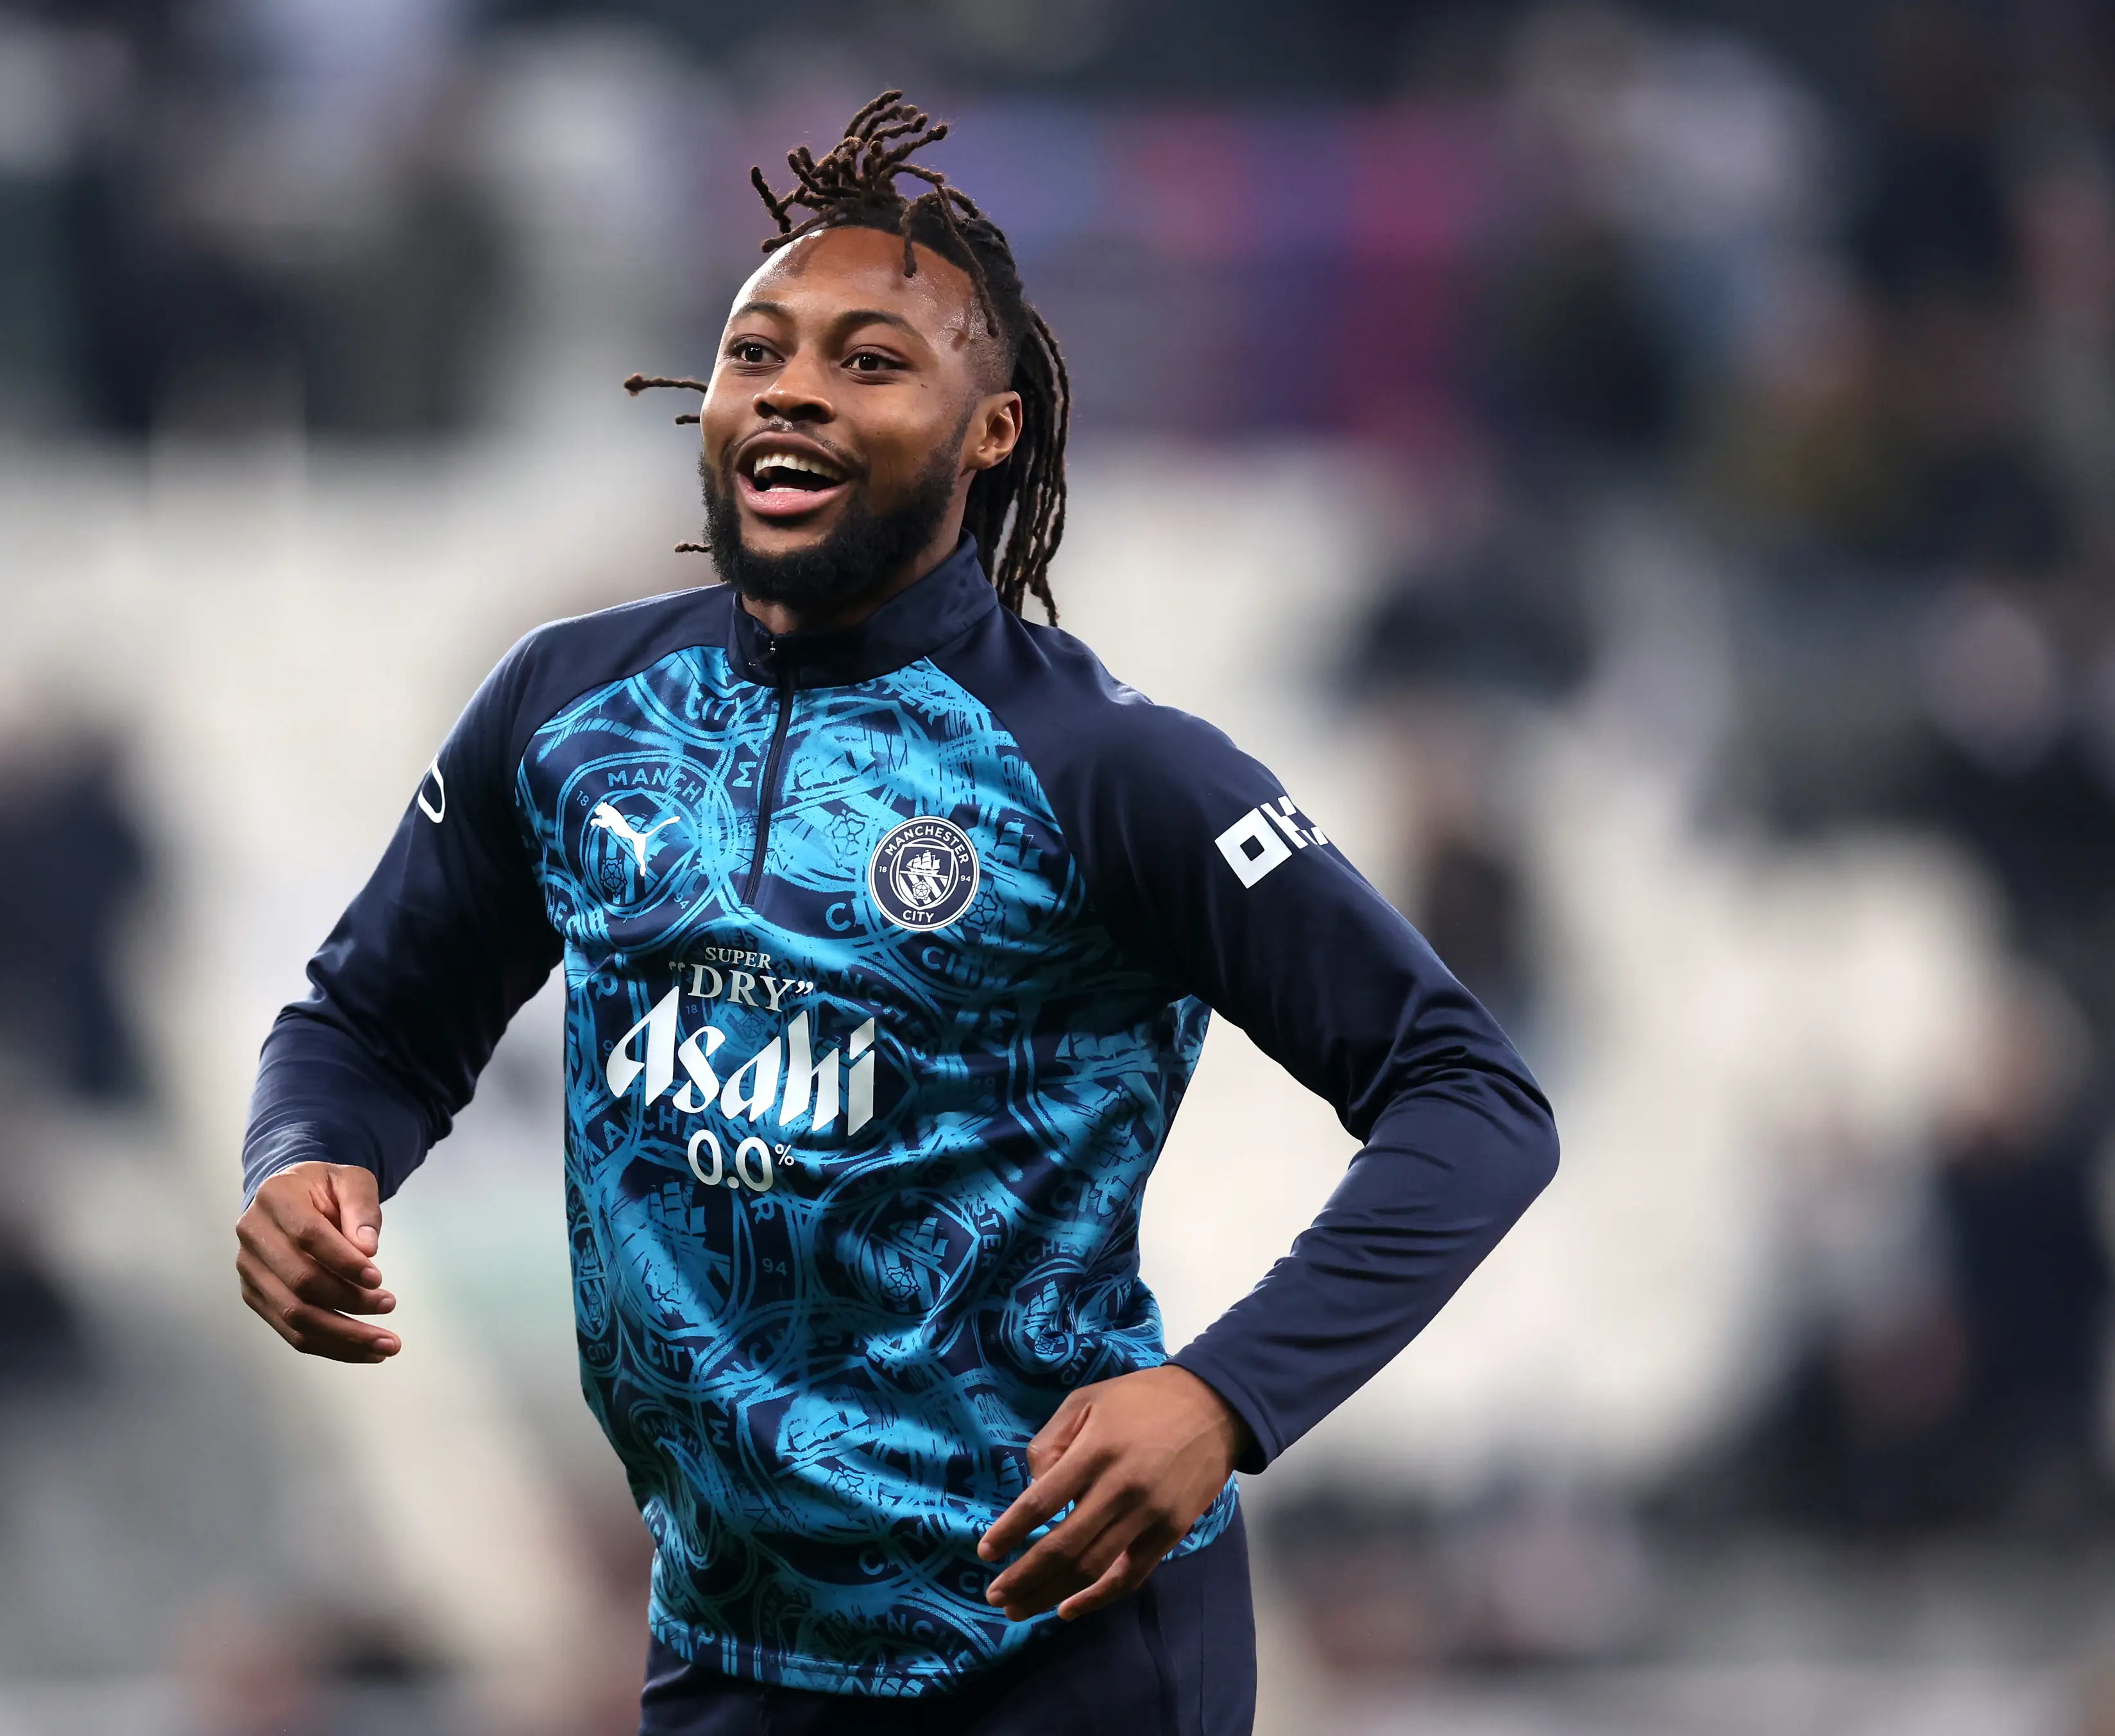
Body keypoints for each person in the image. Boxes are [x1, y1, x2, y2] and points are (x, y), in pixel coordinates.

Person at [235, 94, 1557, 1733]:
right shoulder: (567, 715)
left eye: (870, 360)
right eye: (756, 350)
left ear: (990, 430)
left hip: (1054, 1655)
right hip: (732, 1651)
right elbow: (369, 1024)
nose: (791, 386)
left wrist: (1225, 1395)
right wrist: (305, 1155)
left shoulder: (1109, 770)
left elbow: (1472, 1101)